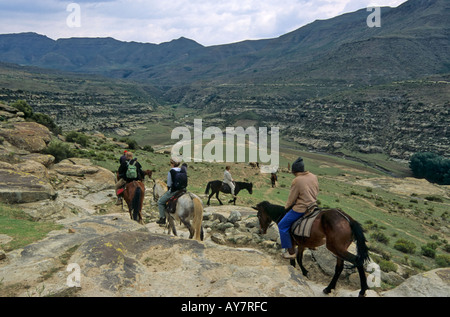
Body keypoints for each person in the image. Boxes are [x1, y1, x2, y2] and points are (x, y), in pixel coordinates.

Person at [278, 157, 319, 259]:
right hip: (313, 206)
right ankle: (312, 245)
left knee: (282, 225)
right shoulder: (313, 176)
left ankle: (291, 252)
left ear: (294, 171)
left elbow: (292, 198)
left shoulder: (297, 180)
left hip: (301, 209)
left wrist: (286, 207)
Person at [156, 158, 186, 225]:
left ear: (172, 164)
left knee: (160, 202)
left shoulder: (171, 171)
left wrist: (169, 190)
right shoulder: (182, 170)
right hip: (183, 190)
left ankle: (162, 219)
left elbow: (169, 184)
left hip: (175, 190)